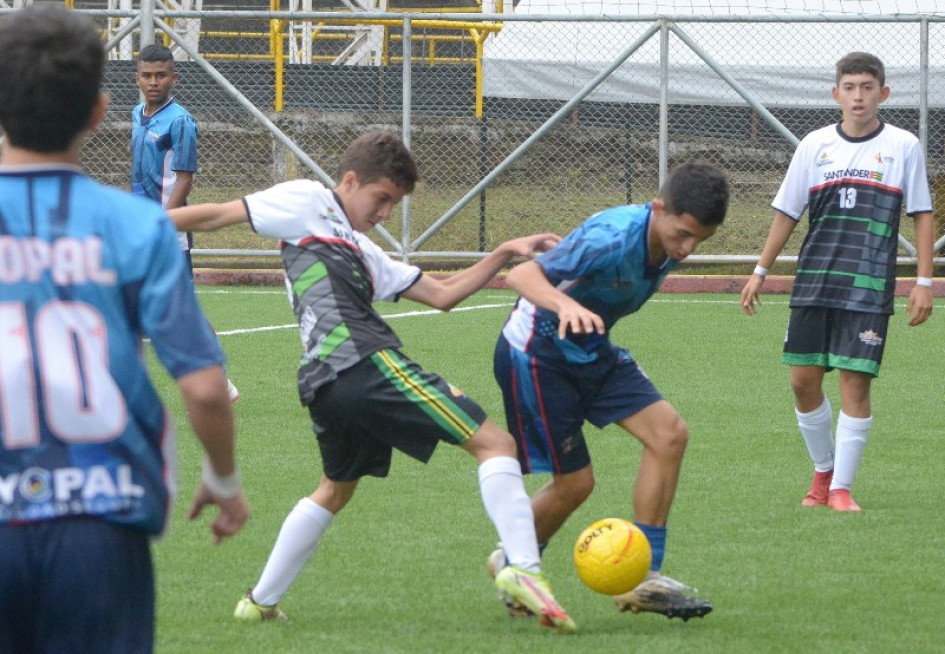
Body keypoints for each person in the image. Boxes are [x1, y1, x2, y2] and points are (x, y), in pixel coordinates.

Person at [168, 130, 577, 633]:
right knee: (496, 444)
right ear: (350, 180)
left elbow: (442, 294)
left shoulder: (361, 249)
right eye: (381, 198)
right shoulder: (307, 200)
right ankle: (524, 569)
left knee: (335, 490)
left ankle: (260, 600)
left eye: (395, 204)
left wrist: (503, 253)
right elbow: (213, 215)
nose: (385, 212)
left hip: (324, 381)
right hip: (363, 362)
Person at [0, 6, 249, 654]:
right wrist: (223, 480)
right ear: (97, 112)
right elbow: (202, 389)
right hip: (100, 519)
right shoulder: (140, 227)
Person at [489, 161, 729, 621]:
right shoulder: (613, 236)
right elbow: (521, 277)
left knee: (669, 435)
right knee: (575, 484)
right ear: (658, 209)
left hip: (590, 348)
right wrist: (564, 304)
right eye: (682, 233)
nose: (688, 248)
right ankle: (515, 559)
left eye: (701, 239)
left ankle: (644, 577)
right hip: (537, 352)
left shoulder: (670, 243)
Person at [740, 51, 935, 512]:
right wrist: (760, 271)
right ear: (836, 95)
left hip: (868, 285)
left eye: (868, 87)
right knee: (802, 380)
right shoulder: (814, 145)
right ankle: (823, 470)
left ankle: (841, 489)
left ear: (883, 93)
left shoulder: (904, 146)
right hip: (814, 281)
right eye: (850, 87)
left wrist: (924, 280)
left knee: (855, 384)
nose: (858, 96)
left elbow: (923, 215)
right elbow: (788, 211)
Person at [131, 43, 239, 403]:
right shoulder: (136, 114)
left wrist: (166, 221)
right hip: (139, 224)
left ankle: (219, 378)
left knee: (182, 307)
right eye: (147, 75)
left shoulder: (180, 121)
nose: (153, 82)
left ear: (174, 78)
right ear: (137, 78)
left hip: (167, 229)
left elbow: (185, 178)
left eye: (161, 75)